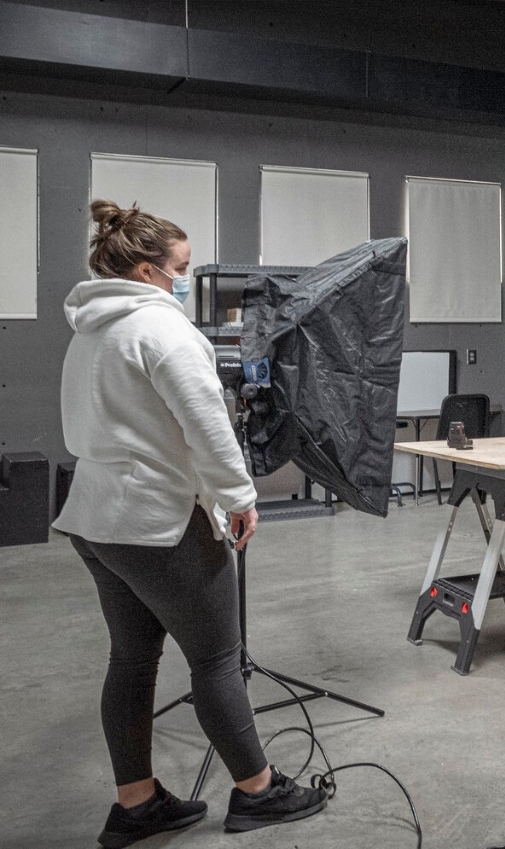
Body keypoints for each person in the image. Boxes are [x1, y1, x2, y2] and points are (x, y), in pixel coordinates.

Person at [55, 200, 328, 848]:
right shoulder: (165, 331)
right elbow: (207, 425)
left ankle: (137, 804)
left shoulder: (92, 330)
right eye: (179, 268)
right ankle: (258, 791)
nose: (184, 279)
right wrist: (240, 498)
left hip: (97, 518)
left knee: (132, 656)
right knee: (216, 659)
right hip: (158, 520)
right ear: (148, 270)